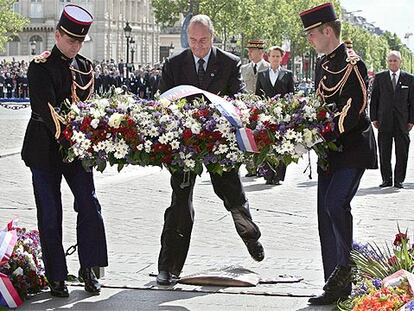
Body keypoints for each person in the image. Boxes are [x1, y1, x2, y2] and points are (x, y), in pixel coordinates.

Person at [156, 14, 264, 286]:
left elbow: (238, 98)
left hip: (219, 142)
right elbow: (163, 102)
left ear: (212, 37)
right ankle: (168, 267)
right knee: (180, 202)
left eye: (203, 40)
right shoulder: (174, 64)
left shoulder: (228, 63)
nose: (198, 46)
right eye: (193, 40)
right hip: (185, 145)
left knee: (231, 193)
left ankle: (249, 235)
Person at [21, 4, 108, 298]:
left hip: (76, 150)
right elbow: (46, 111)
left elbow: (87, 109)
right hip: (45, 148)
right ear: (57, 35)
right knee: (50, 213)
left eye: (80, 41)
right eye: (71, 40)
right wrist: (72, 137)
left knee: (89, 205)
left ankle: (90, 269)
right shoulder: (40, 66)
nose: (75, 46)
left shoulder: (84, 66)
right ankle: (56, 276)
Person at [299, 2, 377, 305]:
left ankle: (347, 268)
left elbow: (355, 109)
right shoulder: (322, 63)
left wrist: (325, 130)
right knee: (324, 214)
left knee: (335, 204)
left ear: (328, 31)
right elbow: (320, 103)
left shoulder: (353, 63)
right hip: (329, 151)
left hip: (352, 148)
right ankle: (334, 282)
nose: (309, 40)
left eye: (312, 34)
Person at [370, 51, 414, 189]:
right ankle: (387, 179)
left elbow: (412, 102)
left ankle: (399, 180)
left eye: (395, 60)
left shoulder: (409, 79)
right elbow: (374, 99)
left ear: (400, 62)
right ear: (387, 62)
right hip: (384, 121)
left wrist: (411, 120)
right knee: (384, 152)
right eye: (390, 61)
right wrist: (374, 118)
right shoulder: (380, 77)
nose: (392, 63)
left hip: (403, 122)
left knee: (402, 153)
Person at [255, 45, 294, 185]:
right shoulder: (262, 74)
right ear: (268, 57)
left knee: (281, 144)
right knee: (265, 143)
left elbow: (291, 96)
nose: (275, 58)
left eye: (278, 56)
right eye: (273, 56)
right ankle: (267, 174)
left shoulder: (288, 74)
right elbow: (257, 96)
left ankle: (278, 176)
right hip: (265, 115)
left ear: (281, 58)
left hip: (282, 116)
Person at [241, 39, 270, 177]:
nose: (250, 53)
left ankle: (262, 166)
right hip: (247, 109)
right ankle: (250, 168)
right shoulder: (243, 69)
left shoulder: (268, 68)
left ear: (261, 52)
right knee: (247, 137)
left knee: (262, 137)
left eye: (252, 51)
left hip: (262, 109)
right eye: (249, 51)